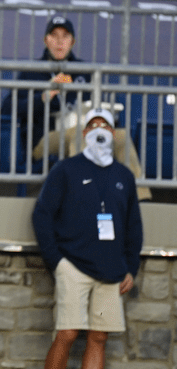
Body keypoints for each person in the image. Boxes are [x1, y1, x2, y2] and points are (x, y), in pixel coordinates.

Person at [32, 108, 143, 369]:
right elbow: (42, 215)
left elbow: (133, 225)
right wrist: (56, 260)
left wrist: (131, 267)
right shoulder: (65, 170)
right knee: (67, 333)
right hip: (73, 268)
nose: (99, 129)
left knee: (98, 337)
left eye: (104, 125)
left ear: (113, 134)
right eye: (93, 125)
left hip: (111, 273)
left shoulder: (124, 177)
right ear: (84, 133)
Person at [0, 16, 91, 158]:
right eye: (54, 35)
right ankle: (79, 179)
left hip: (84, 132)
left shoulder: (84, 72)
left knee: (121, 137)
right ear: (46, 41)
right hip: (43, 139)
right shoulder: (32, 71)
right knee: (78, 134)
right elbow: (7, 108)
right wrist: (43, 97)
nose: (59, 41)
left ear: (72, 42)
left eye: (65, 36)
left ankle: (132, 180)